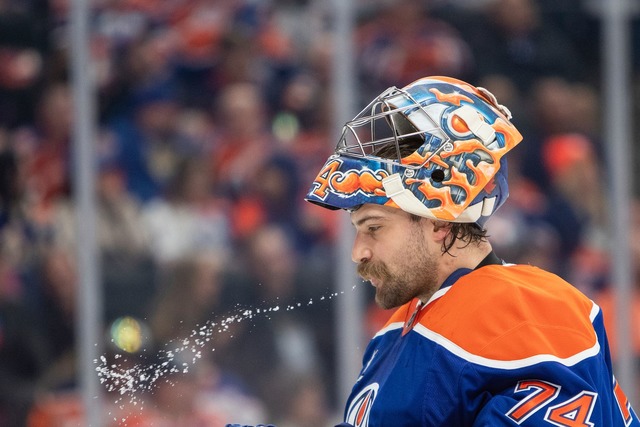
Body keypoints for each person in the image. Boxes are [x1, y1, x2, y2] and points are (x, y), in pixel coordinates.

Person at [301, 76, 639, 426]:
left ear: (440, 221)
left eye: (374, 228)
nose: (358, 252)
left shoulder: (530, 314)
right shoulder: (395, 332)